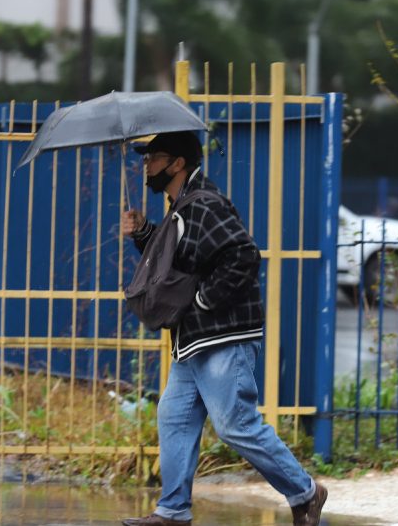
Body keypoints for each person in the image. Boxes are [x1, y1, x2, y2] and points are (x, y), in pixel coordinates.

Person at [119, 131, 327, 526]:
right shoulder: (180, 206)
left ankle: (306, 492)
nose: (147, 165)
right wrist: (146, 232)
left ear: (178, 163)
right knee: (174, 418)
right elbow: (176, 265)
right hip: (193, 340)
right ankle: (173, 511)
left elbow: (244, 256)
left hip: (221, 336)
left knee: (235, 425)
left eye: (155, 157)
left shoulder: (205, 204)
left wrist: (202, 302)